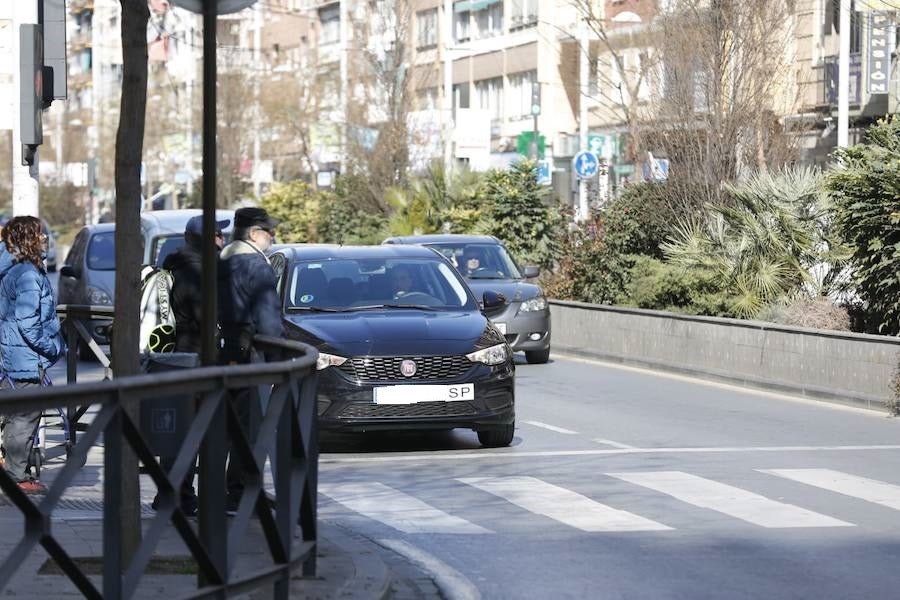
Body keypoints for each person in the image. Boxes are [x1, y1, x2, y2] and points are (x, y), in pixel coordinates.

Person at [150, 214, 231, 516]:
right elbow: (206, 318)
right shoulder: (197, 273)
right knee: (192, 432)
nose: (223, 240)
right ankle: (180, 497)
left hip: (179, 358)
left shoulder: (179, 265)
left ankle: (171, 494)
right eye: (218, 236)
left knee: (180, 432)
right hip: (196, 359)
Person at [217, 207, 284, 512]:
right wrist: (276, 360)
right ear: (255, 234)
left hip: (225, 351)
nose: (273, 237)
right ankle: (241, 492)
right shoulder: (256, 266)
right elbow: (268, 319)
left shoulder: (222, 261)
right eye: (270, 232)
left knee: (228, 425)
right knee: (250, 428)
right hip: (250, 356)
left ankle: (226, 490)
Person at [0, 216, 66, 495]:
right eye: (39, 235)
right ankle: (16, 477)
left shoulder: (16, 270)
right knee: (24, 417)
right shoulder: (26, 274)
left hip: (14, 356)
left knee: (18, 415)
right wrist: (52, 348)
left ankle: (15, 471)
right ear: (28, 239)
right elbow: (28, 321)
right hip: (25, 359)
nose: (44, 240)